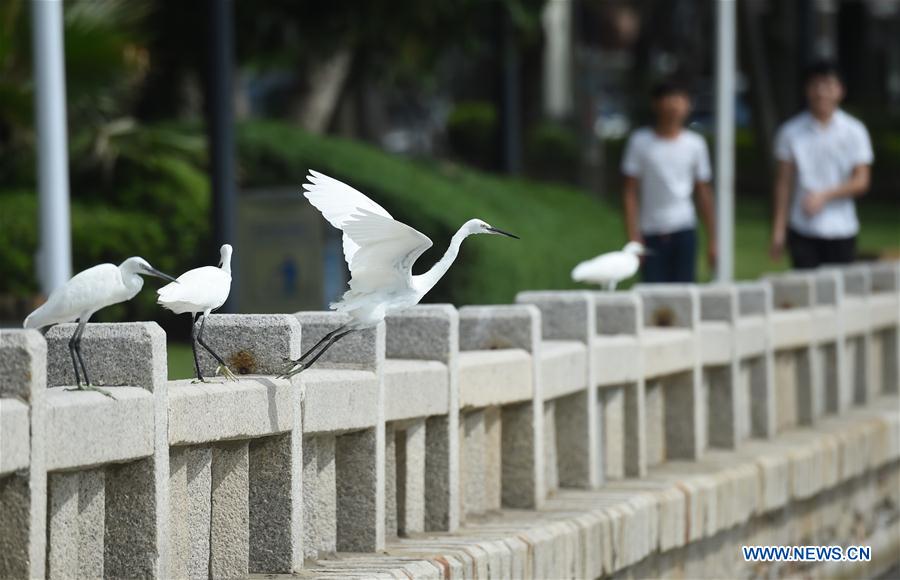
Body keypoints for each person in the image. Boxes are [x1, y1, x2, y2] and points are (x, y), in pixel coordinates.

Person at [769, 60, 874, 269]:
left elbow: (862, 181)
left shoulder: (855, 131)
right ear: (807, 90)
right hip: (803, 227)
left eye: (828, 86)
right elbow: (784, 183)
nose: (821, 93)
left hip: (842, 227)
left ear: (840, 91)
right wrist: (779, 230)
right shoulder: (790, 132)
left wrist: (825, 195)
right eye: (815, 85)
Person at [621, 79, 716, 283]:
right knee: (653, 292)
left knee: (684, 291)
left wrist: (713, 240)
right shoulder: (640, 142)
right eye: (669, 98)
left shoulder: (695, 145)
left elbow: (703, 191)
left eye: (681, 99)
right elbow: (630, 191)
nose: (674, 105)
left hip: (684, 227)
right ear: (656, 104)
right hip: (651, 230)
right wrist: (633, 235)